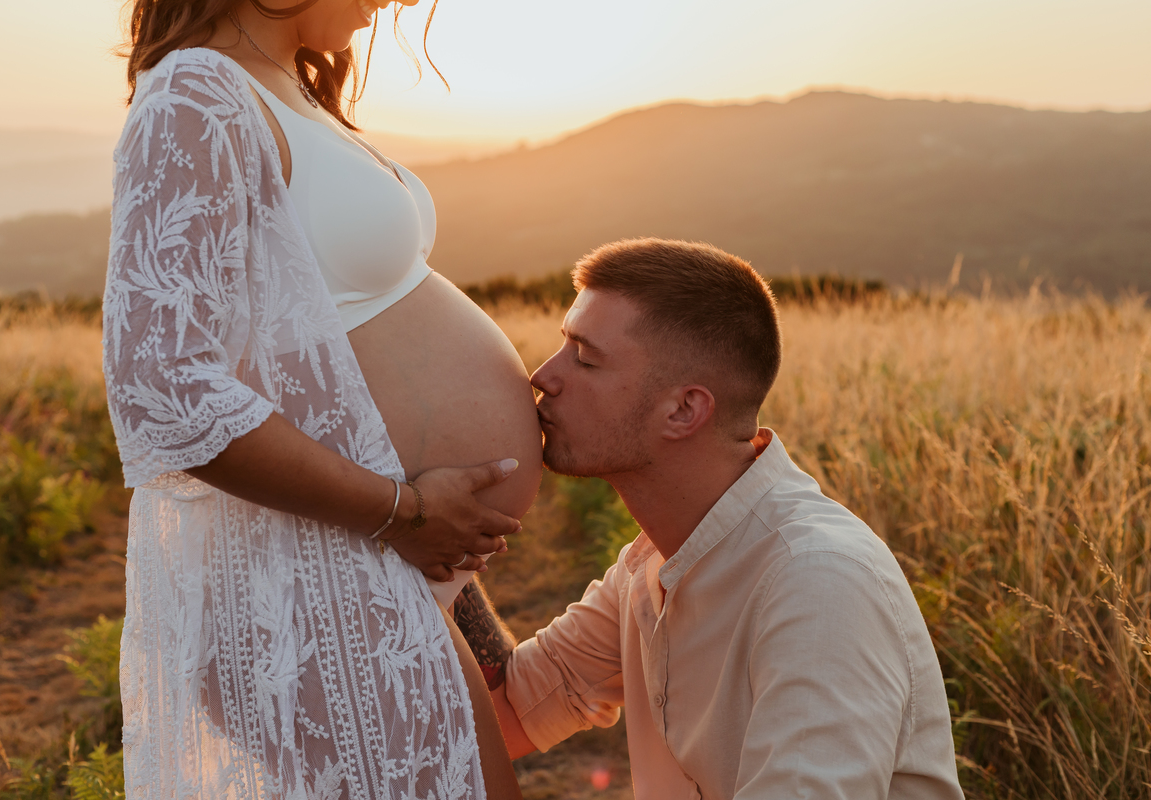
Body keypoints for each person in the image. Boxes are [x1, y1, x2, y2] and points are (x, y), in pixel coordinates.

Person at [103, 1, 543, 797]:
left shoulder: (282, 85)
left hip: (365, 573)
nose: (396, 2)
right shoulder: (196, 96)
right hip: (311, 585)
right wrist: (402, 511)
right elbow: (164, 385)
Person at [450, 238, 966, 798]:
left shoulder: (819, 582)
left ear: (683, 410)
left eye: (585, 358)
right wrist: (416, 532)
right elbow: (509, 713)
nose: (543, 376)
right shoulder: (651, 564)